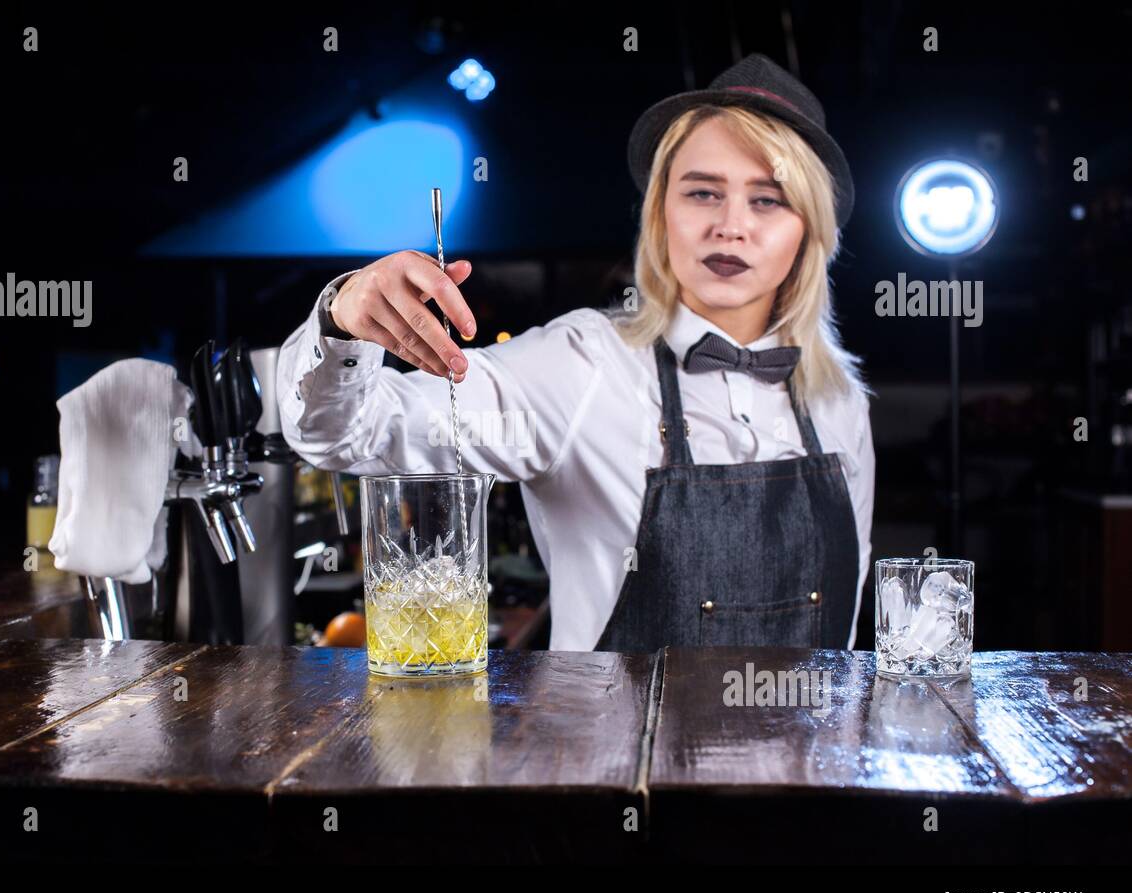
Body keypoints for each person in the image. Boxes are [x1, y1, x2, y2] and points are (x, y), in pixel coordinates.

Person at [276, 53, 874, 653]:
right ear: (662, 215)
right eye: (702, 193)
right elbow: (344, 437)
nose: (731, 226)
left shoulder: (839, 400)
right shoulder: (581, 366)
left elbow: (841, 639)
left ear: (809, 228)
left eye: (767, 200)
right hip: (615, 749)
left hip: (810, 748)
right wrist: (342, 319)